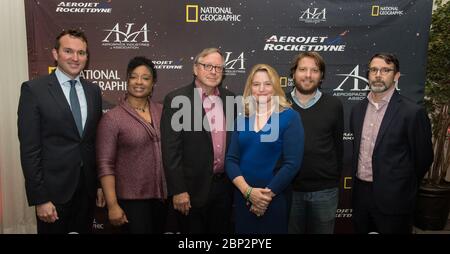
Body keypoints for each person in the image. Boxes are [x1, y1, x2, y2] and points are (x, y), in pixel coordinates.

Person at [17, 29, 104, 234]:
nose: (75, 58)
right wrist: (40, 198)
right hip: (53, 194)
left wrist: (99, 184)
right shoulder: (33, 90)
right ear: (55, 54)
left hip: (87, 190)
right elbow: (30, 149)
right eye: (68, 51)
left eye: (81, 53)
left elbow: (95, 142)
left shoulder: (93, 91)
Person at [349, 52, 433, 234]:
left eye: (385, 70)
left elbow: (423, 158)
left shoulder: (412, 112)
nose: (378, 75)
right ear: (368, 74)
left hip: (395, 199)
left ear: (396, 76)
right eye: (374, 70)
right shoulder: (357, 110)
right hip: (360, 195)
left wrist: (399, 184)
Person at [161, 48, 235, 233]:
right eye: (207, 66)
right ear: (195, 69)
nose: (213, 71)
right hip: (191, 192)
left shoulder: (232, 100)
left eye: (218, 67)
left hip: (225, 189)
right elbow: (171, 150)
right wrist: (178, 190)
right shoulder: (178, 100)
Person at [226, 64, 304, 234]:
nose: (261, 89)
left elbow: (292, 164)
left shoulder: (289, 117)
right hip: (243, 198)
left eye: (267, 84)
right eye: (256, 84)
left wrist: (264, 198)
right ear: (250, 88)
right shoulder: (242, 118)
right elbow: (231, 160)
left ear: (276, 86)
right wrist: (248, 192)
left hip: (273, 198)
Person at [96, 56, 167, 234]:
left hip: (162, 199)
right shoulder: (112, 118)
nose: (139, 82)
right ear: (127, 80)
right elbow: (105, 164)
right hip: (130, 201)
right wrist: (112, 205)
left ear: (153, 83)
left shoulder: (163, 111)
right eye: (134, 76)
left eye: (145, 78)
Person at [286, 52, 344, 234]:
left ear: (321, 76)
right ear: (293, 73)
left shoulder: (334, 104)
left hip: (325, 191)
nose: (308, 75)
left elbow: (338, 146)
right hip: (288, 190)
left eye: (314, 70)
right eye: (302, 69)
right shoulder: (280, 104)